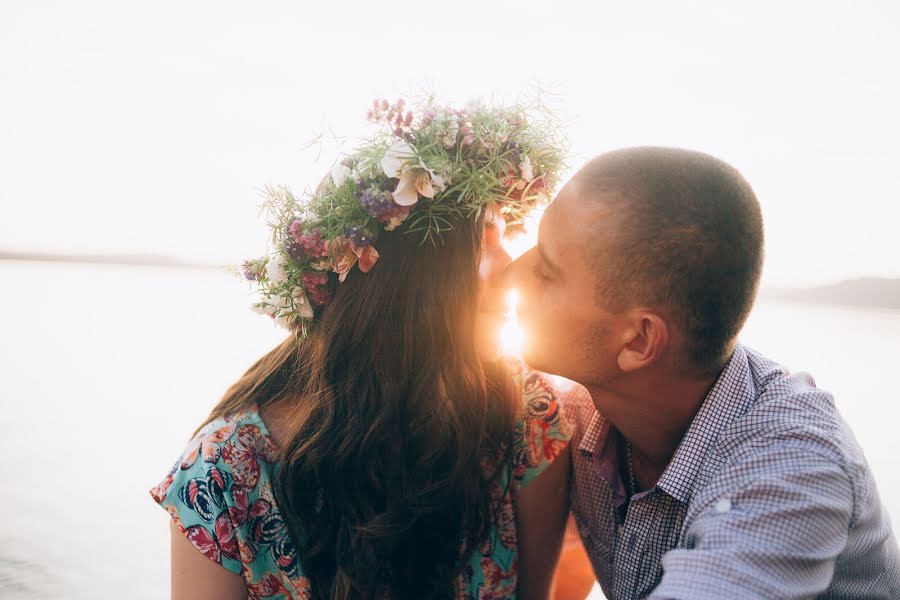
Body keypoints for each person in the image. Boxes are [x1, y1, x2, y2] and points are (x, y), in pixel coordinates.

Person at [149, 98, 574, 599]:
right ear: (408, 277)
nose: (513, 269)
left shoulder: (524, 414)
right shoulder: (224, 473)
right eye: (485, 241)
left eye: (509, 237)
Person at [509, 147, 900, 599]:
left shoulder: (793, 470)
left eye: (546, 269)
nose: (513, 275)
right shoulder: (568, 412)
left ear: (638, 341)